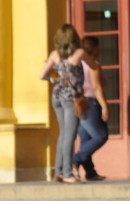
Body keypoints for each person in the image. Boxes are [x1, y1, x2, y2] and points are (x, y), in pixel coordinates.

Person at [39, 24, 97, 184]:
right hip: (71, 99)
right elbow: (94, 66)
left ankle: (58, 172)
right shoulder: (79, 53)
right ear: (74, 38)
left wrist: (56, 77)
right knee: (70, 136)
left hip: (56, 96)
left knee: (64, 134)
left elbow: (42, 76)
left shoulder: (54, 54)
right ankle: (67, 174)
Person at [71, 36, 110, 181]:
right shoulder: (93, 64)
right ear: (94, 49)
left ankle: (91, 172)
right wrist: (104, 106)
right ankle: (75, 159)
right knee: (101, 136)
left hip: (79, 104)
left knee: (86, 139)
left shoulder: (77, 64)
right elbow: (97, 87)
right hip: (91, 103)